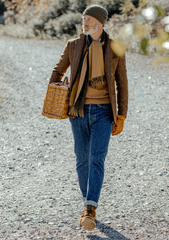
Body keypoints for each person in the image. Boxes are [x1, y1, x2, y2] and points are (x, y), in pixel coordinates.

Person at [49, 5, 128, 231]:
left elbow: (122, 84)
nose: (84, 22)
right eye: (83, 19)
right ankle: (88, 203)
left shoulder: (115, 48)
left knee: (97, 158)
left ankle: (90, 208)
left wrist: (121, 115)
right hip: (78, 110)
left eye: (89, 19)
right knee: (82, 159)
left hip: (104, 111)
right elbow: (56, 72)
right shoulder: (73, 45)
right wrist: (57, 87)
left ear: (100, 23)